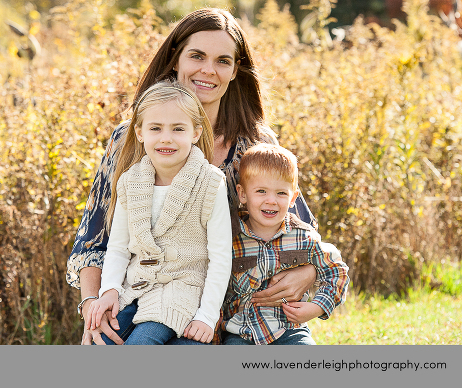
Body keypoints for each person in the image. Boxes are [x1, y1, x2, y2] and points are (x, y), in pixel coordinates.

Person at [68, 8, 319, 345]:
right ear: (175, 59)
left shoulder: (257, 144)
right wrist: (92, 308)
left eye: (223, 61)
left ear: (235, 71)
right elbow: (94, 241)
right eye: (197, 56)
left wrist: (308, 272)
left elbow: (302, 230)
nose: (208, 70)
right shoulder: (130, 139)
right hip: (145, 303)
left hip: (242, 312)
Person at [85, 80, 231, 344]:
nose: (166, 138)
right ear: (140, 132)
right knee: (99, 343)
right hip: (134, 288)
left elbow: (220, 257)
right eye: (155, 128)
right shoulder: (130, 181)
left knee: (143, 342)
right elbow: (118, 248)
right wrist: (109, 291)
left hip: (181, 291)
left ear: (195, 132)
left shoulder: (210, 183)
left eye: (178, 129)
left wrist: (207, 317)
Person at [222, 144, 349, 345]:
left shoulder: (303, 236)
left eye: (281, 193)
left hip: (289, 330)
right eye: (261, 191)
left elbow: (336, 272)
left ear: (293, 198)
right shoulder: (230, 238)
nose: (271, 200)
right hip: (241, 331)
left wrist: (316, 307)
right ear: (243, 194)